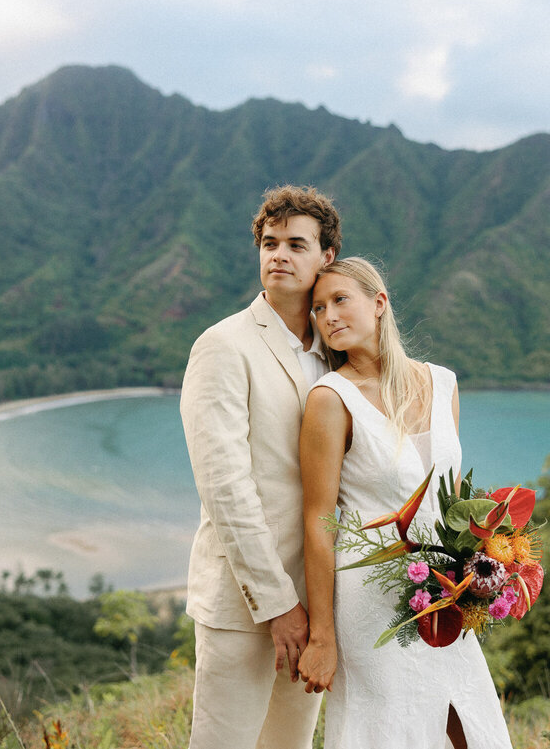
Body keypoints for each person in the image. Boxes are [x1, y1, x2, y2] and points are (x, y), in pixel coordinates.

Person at [296, 257, 512, 749]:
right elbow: (317, 521)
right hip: (370, 598)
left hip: (444, 593)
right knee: (390, 728)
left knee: (469, 723)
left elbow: (452, 500)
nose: (328, 316)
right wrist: (322, 636)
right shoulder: (330, 399)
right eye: (318, 308)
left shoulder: (443, 383)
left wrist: (487, 564)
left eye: (339, 300)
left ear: (379, 302)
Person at [180, 185, 342, 749]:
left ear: (326, 257)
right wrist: (278, 605)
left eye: (297, 244)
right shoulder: (223, 345)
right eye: (269, 243)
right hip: (243, 602)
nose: (279, 255)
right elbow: (225, 486)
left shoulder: (333, 354)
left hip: (319, 604)